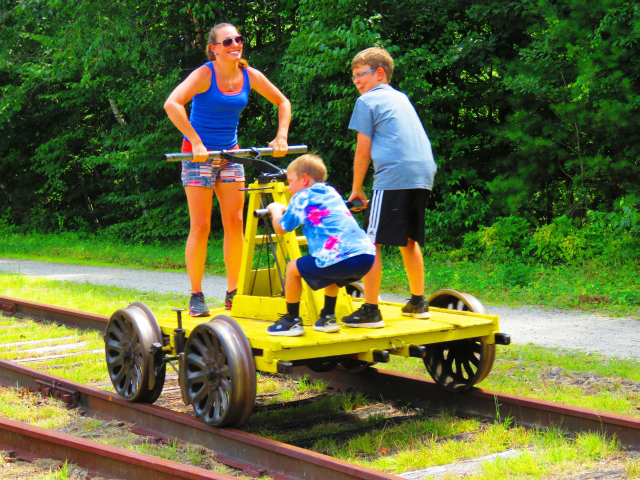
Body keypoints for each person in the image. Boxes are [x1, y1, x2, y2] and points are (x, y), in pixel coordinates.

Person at [164, 23, 291, 317]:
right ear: (215, 48)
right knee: (202, 226)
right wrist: (194, 141)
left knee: (235, 222)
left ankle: (233, 292)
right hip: (198, 156)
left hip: (231, 155)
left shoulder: (249, 75)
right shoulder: (204, 74)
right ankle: (196, 295)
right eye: (228, 41)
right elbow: (172, 104)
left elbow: (283, 102)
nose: (235, 44)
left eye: (239, 39)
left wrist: (281, 135)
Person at [344, 47, 437, 328]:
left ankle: (371, 309)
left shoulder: (369, 101)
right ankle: (418, 301)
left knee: (370, 241)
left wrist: (357, 189)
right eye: (354, 77)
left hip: (394, 176)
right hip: (423, 173)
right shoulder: (401, 98)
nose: (357, 81)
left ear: (380, 73)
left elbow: (363, 151)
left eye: (361, 75)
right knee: (409, 238)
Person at [265, 154, 376, 336]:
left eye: (291, 181)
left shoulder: (301, 198)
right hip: (366, 257)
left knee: (292, 269)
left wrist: (275, 210)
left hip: (342, 257)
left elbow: (281, 227)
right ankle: (328, 317)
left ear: (304, 179)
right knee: (332, 271)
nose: (288, 186)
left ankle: (291, 320)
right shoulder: (331, 192)